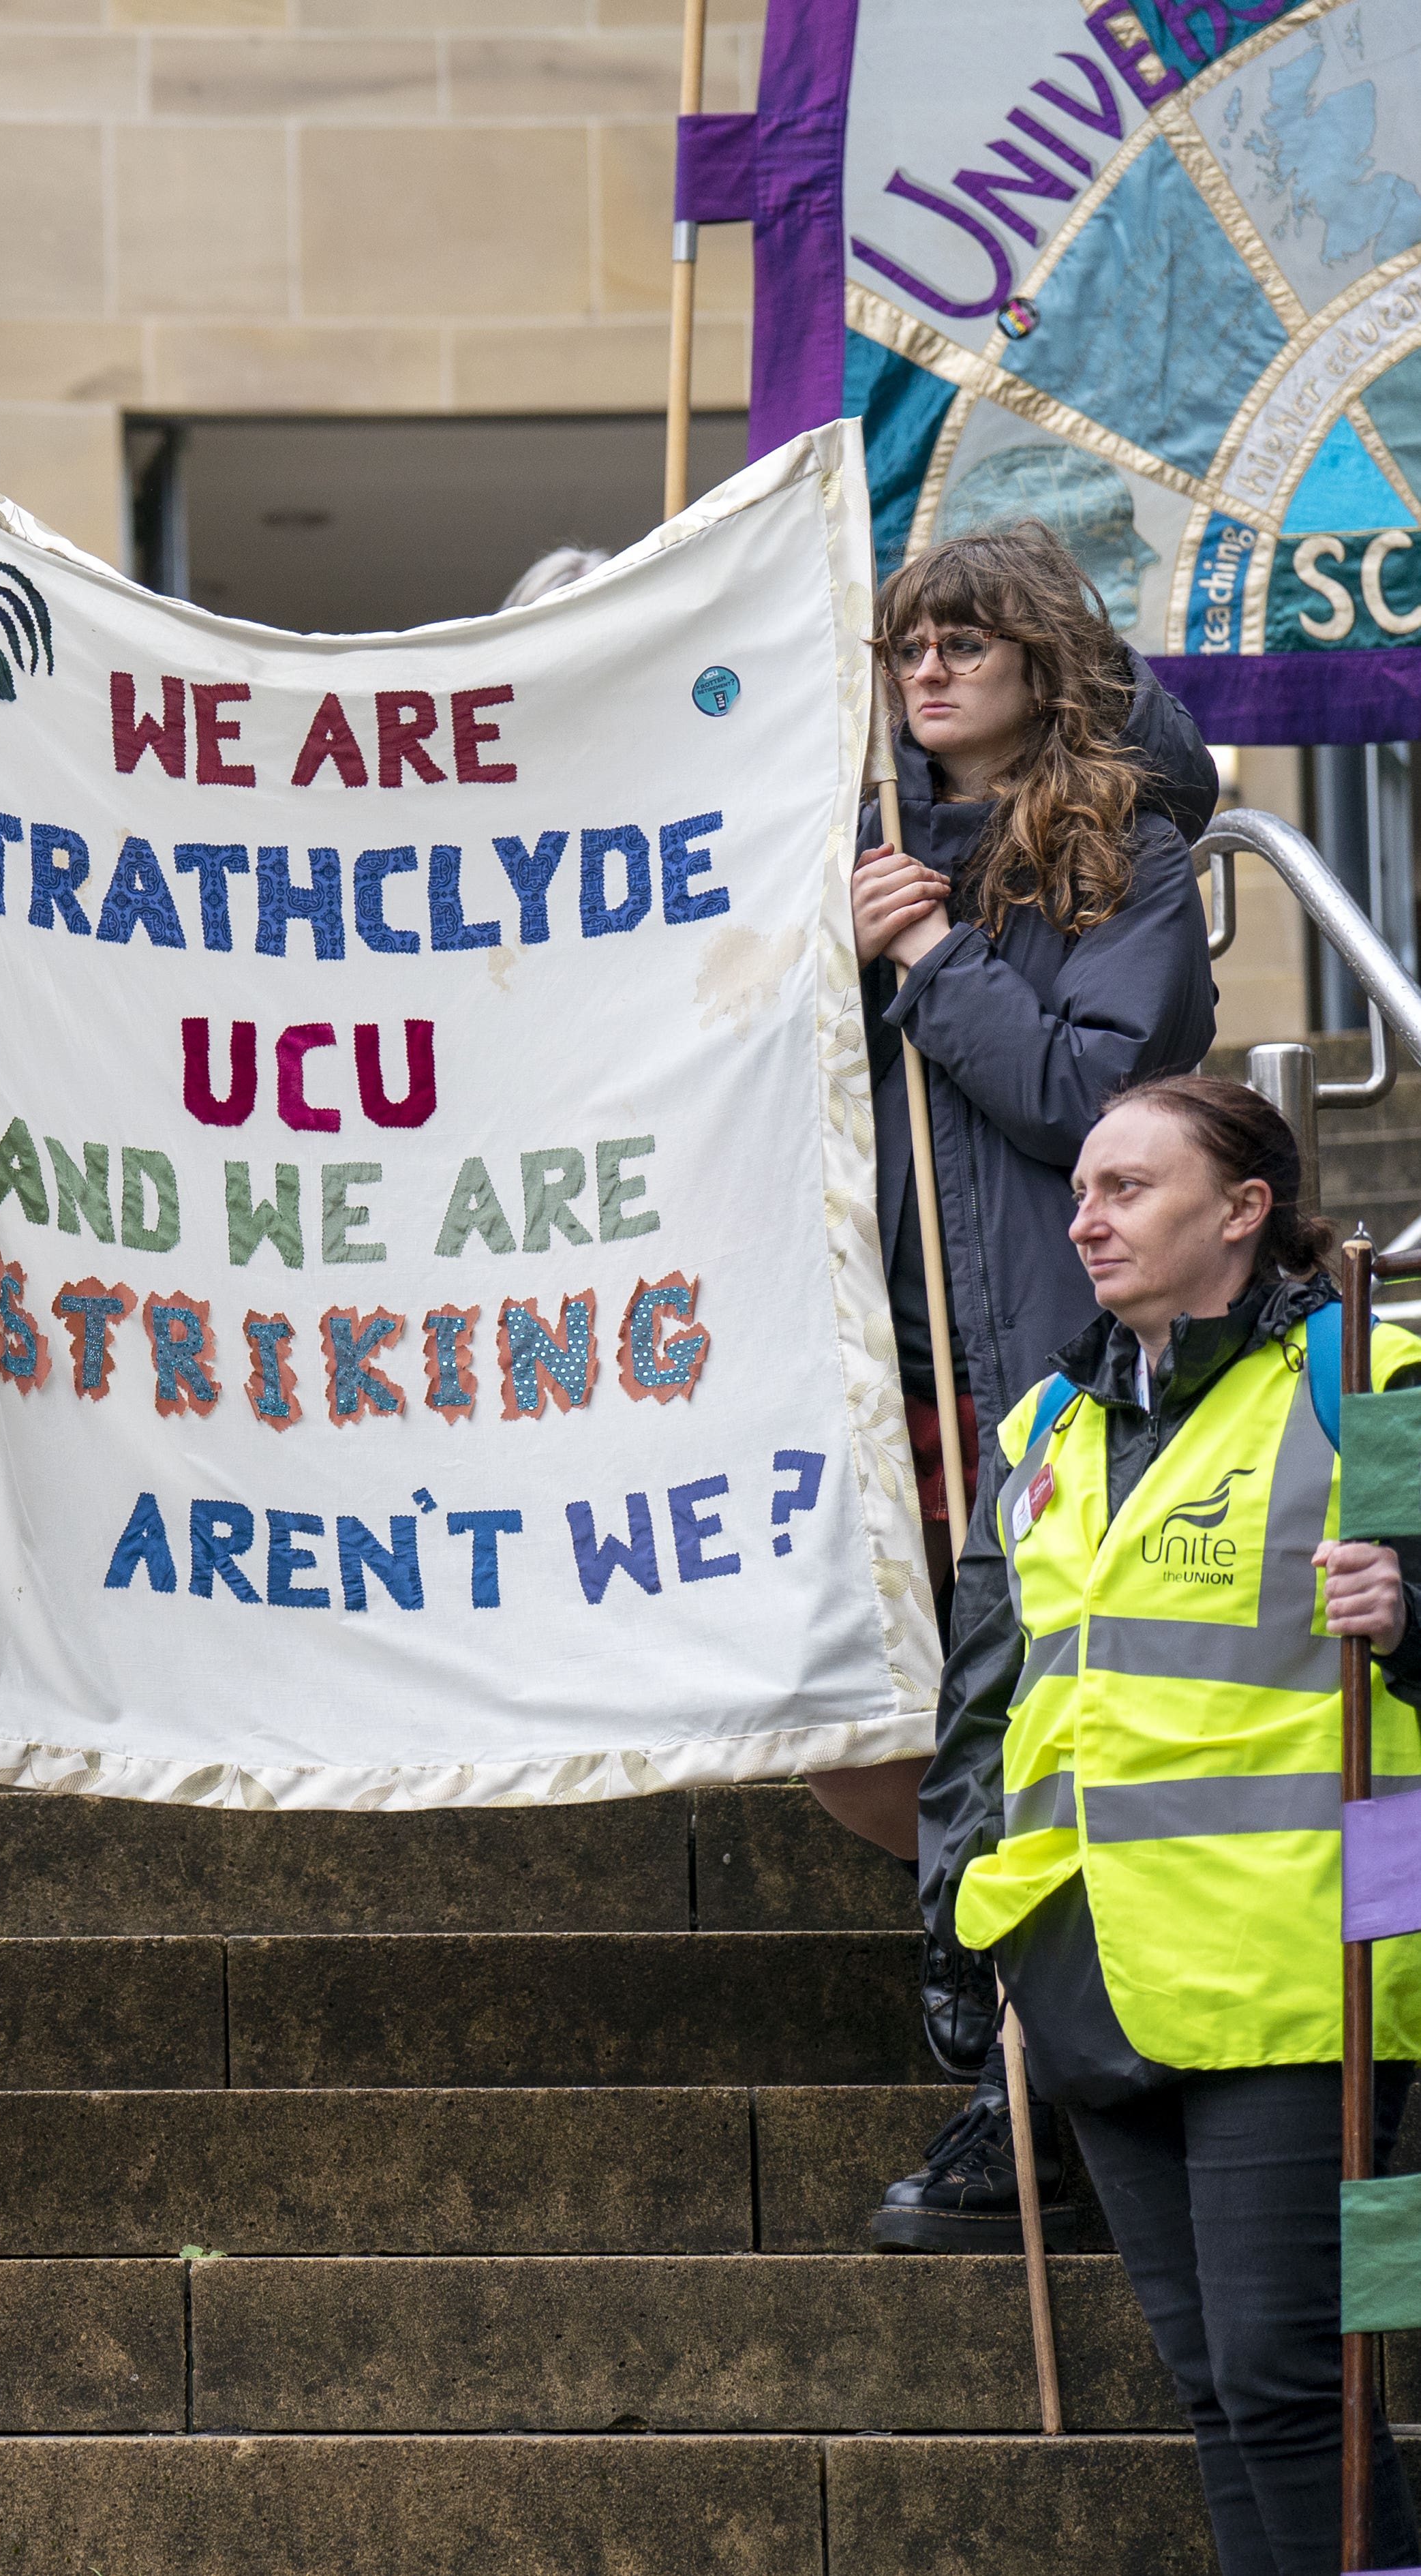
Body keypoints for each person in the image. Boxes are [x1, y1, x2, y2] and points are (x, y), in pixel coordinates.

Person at [919, 1074, 1421, 2573]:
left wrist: (1410, 1606)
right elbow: (984, 1695)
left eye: (1127, 1186)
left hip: (1308, 1963)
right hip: (1086, 1961)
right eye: (1080, 1190)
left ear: (1241, 1208)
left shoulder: (1368, 1378)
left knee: (1297, 2382)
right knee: (1213, 2391)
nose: (1084, 1217)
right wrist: (959, 1907)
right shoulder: (1044, 1422)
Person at [815, 521, 1222, 2254]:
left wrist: (926, 964)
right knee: (860, 1719)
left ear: (1040, 663)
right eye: (907, 645)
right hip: (868, 1356)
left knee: (1014, 1722)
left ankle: (1021, 2077)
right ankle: (1028, 2009)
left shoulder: (1117, 860)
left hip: (1032, 1364)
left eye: (963, 643)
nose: (925, 671)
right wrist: (834, 954)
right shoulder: (847, 852)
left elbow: (1094, 1101)